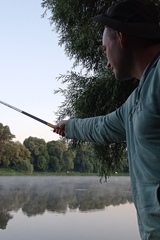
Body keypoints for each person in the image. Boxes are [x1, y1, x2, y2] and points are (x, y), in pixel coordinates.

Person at [53, 0, 160, 239]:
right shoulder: (135, 102)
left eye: (104, 49)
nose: (106, 60)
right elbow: (102, 126)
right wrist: (69, 126)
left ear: (121, 38)